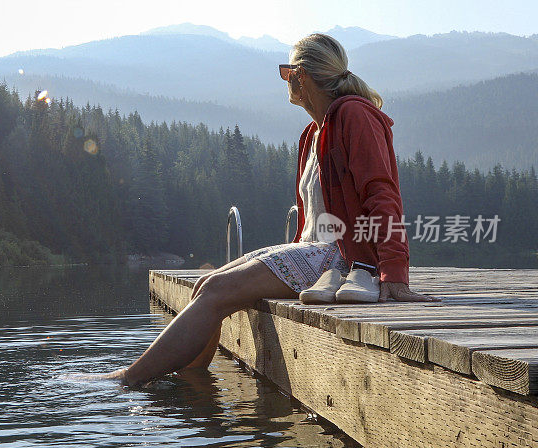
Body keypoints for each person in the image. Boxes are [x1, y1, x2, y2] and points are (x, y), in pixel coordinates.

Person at [104, 33, 439, 387]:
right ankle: (193, 382)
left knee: (216, 292)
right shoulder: (313, 132)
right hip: (316, 251)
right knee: (206, 283)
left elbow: (381, 193)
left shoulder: (355, 115)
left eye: (286, 72)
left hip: (342, 257)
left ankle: (128, 380)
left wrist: (394, 275)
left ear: (301, 76)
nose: (285, 81)